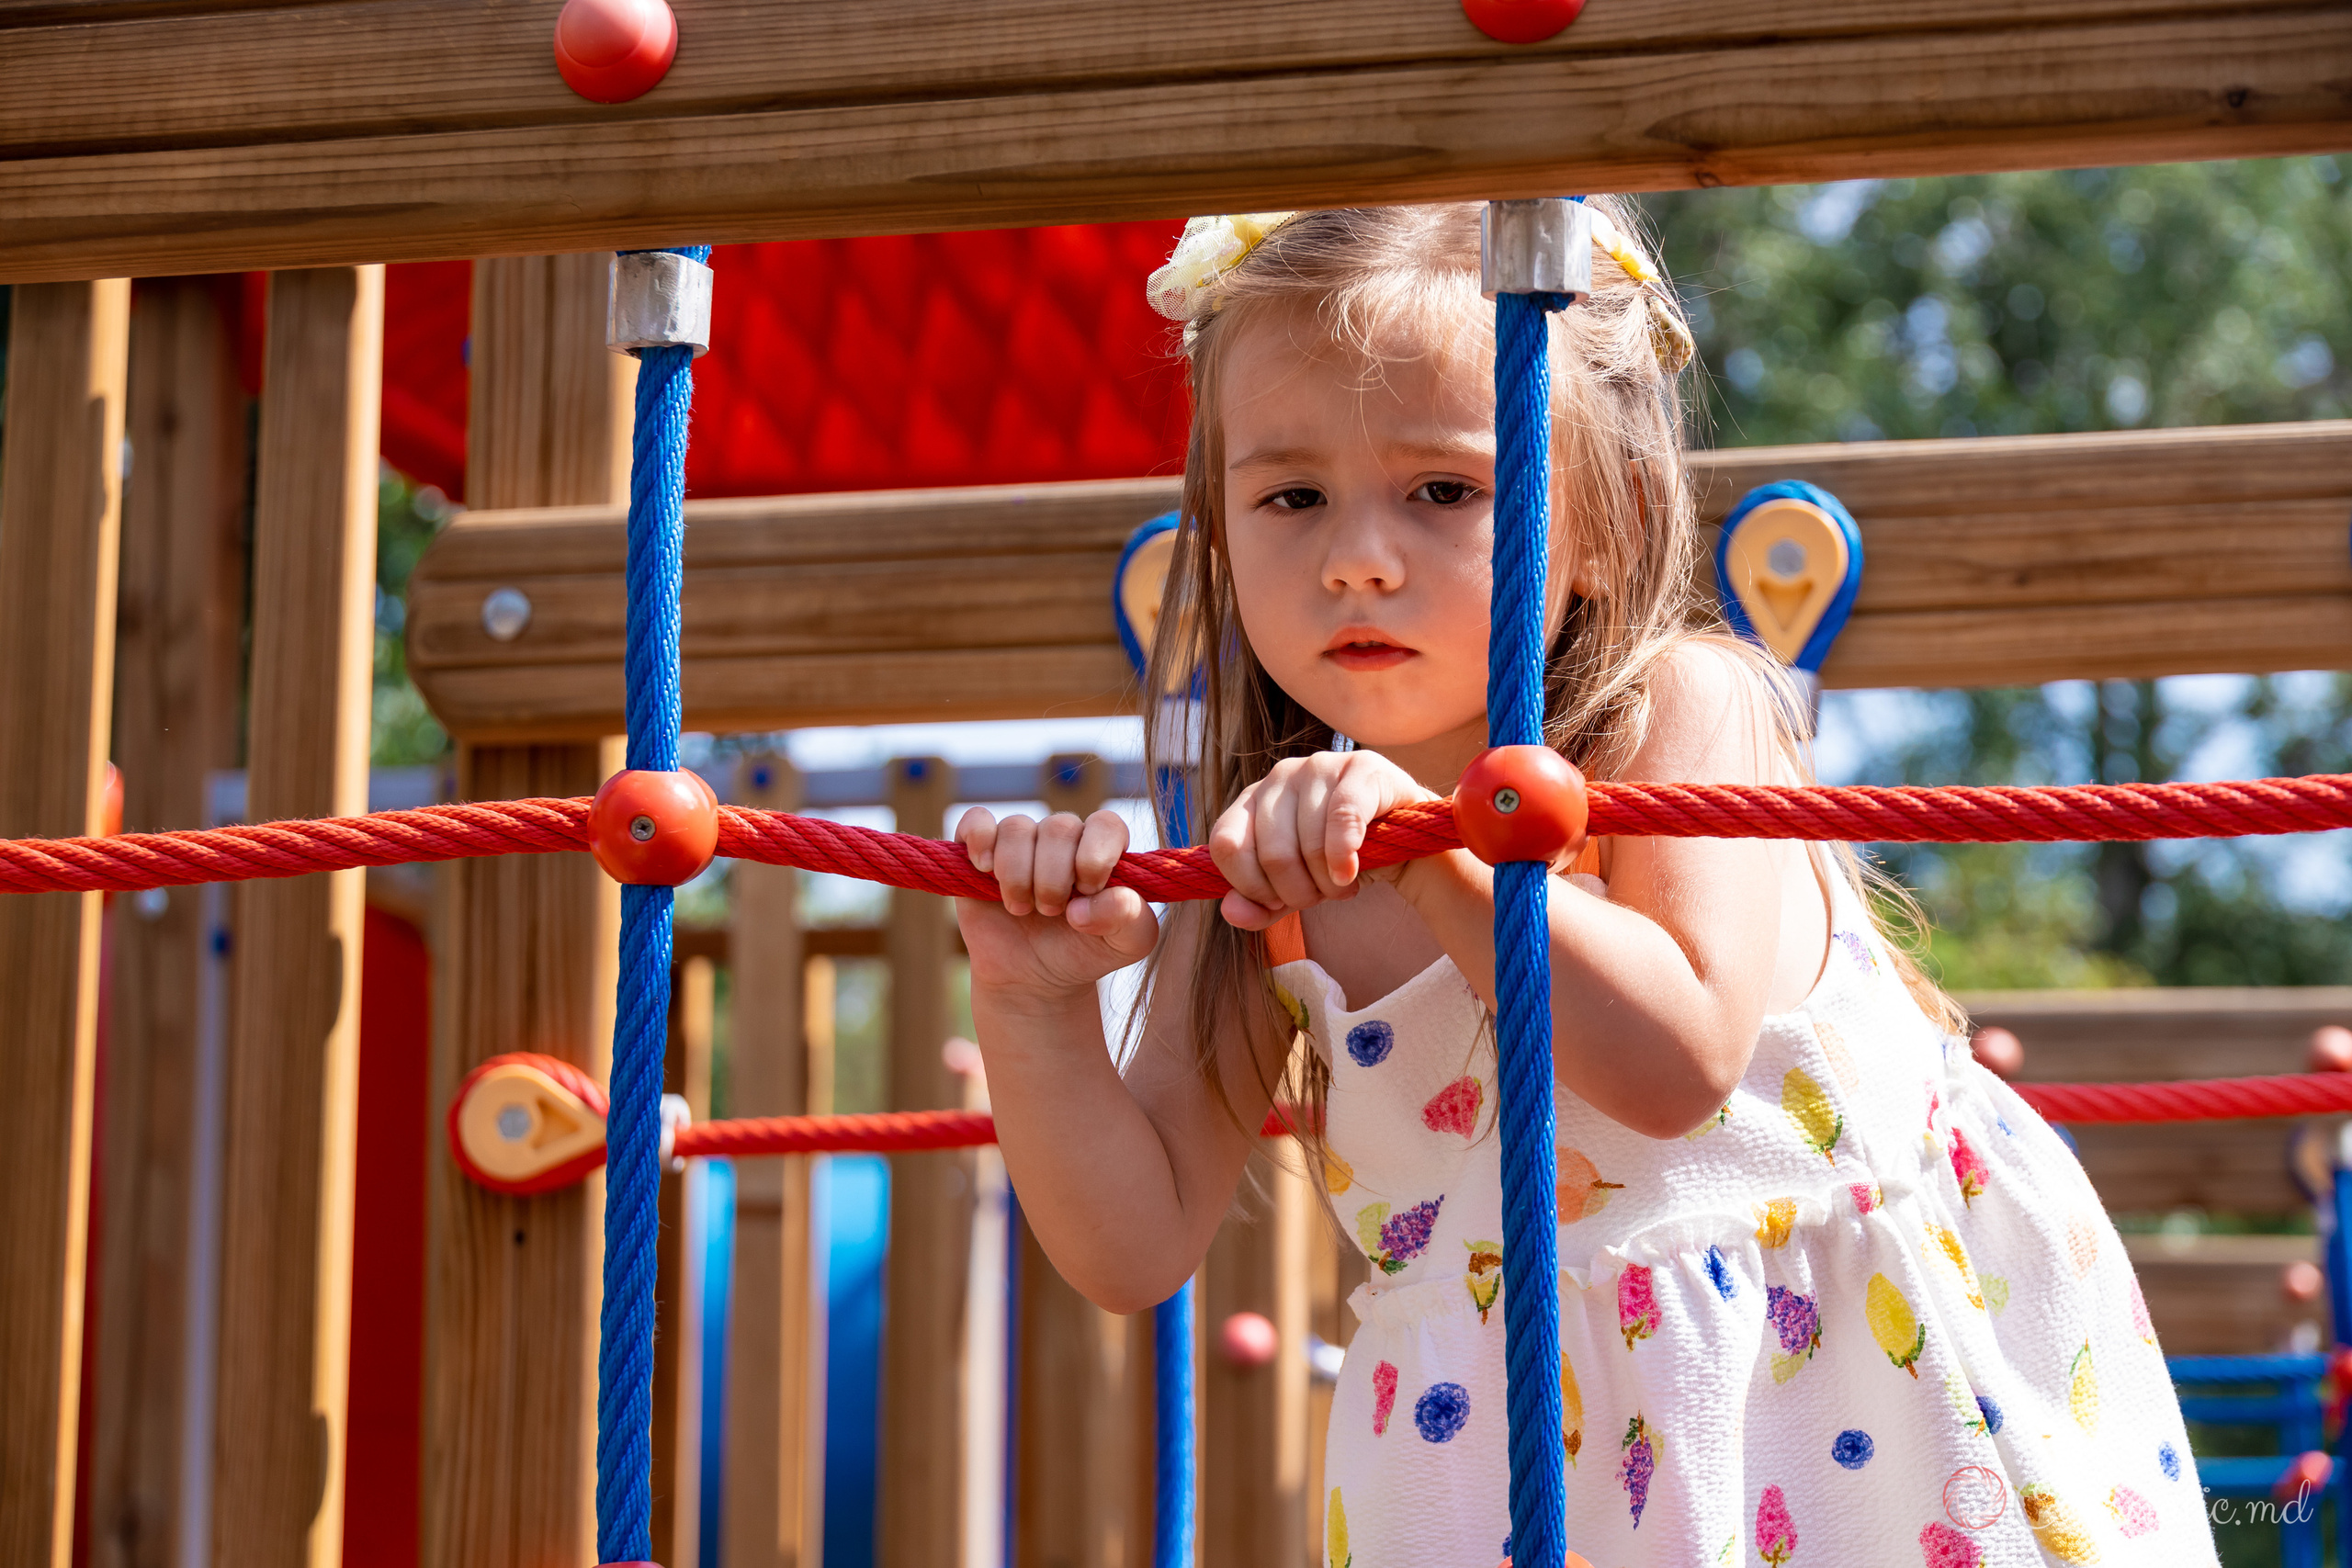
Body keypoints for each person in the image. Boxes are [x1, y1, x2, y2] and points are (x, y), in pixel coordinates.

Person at [951, 202, 2215, 1567]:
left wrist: (1436, 852)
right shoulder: (1265, 862)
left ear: (1602, 524)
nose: (1356, 554)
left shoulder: (1682, 715)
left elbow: (1677, 1066)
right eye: (1290, 495)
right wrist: (1033, 1009)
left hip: (1850, 1416)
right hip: (1501, 1463)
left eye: (1444, 489)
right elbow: (1133, 1246)